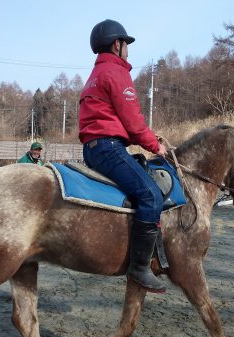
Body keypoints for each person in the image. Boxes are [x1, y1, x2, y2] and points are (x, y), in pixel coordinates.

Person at [79, 19, 168, 294]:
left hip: (94, 147)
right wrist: (156, 146)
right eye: (126, 44)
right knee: (151, 195)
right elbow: (133, 122)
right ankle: (140, 267)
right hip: (108, 147)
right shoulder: (116, 73)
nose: (128, 50)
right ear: (116, 44)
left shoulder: (95, 75)